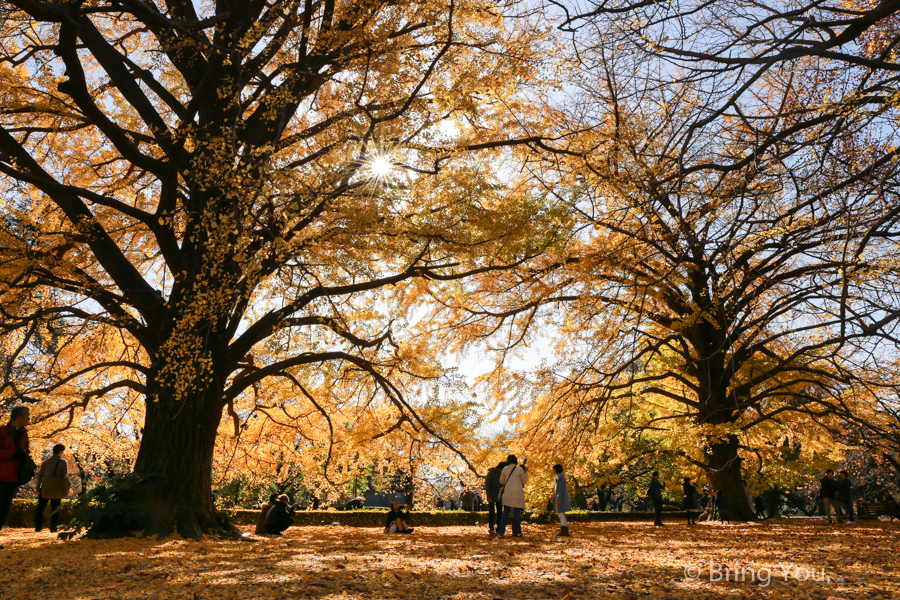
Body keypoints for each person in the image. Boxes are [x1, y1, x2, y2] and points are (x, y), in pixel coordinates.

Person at [0, 406, 31, 544]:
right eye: (27, 416)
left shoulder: (24, 433)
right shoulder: (2, 431)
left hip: (13, 476)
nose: (29, 418)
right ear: (18, 417)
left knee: (4, 509)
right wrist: (13, 454)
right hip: (1, 475)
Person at [35, 444, 68, 533]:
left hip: (45, 488)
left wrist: (38, 488)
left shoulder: (46, 462)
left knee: (40, 508)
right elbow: (65, 475)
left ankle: (38, 527)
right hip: (56, 488)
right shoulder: (63, 462)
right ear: (61, 451)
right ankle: (53, 528)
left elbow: (40, 476)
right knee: (55, 509)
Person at [496, 455, 528, 539]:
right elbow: (523, 481)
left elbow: (501, 481)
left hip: (507, 493)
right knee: (516, 514)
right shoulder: (520, 470)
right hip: (517, 494)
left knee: (505, 513)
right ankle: (516, 533)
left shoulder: (505, 469)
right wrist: (525, 473)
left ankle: (501, 532)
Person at [484, 461, 503, 535]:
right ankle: (491, 528)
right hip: (492, 495)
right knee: (491, 513)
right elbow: (487, 485)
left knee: (500, 513)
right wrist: (489, 496)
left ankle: (499, 528)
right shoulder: (491, 473)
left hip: (499, 495)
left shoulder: (501, 473)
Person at [553, 464, 571, 537]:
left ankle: (564, 531)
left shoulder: (561, 478)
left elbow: (561, 490)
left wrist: (559, 499)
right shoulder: (558, 478)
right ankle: (564, 531)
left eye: (554, 469)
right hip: (560, 498)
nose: (553, 470)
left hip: (561, 499)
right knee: (561, 515)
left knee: (561, 515)